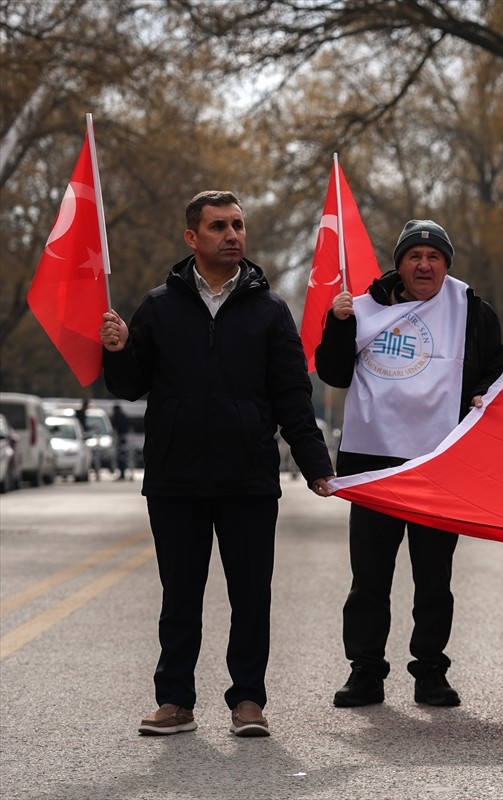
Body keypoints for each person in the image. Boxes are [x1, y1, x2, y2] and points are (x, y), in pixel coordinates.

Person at [101, 190, 336, 737]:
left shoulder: (271, 310)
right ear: (192, 238)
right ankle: (175, 700)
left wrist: (316, 465)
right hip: (174, 479)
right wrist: (117, 349)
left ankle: (248, 700)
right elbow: (131, 386)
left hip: (248, 478)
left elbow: (292, 397)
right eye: (219, 227)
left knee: (250, 596)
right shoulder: (158, 306)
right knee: (179, 596)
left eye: (238, 225)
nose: (233, 235)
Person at [316, 219, 503, 709]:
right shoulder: (360, 307)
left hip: (439, 463)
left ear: (446, 264)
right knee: (369, 577)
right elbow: (334, 372)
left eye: (435, 256)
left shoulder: (471, 310)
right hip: (374, 463)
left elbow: (498, 367)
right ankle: (365, 671)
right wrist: (337, 324)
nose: (425, 265)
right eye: (415, 256)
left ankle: (430, 671)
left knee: (434, 577)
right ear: (399, 263)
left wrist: (483, 394)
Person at [110, 402, 129, 480]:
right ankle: (122, 473)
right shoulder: (123, 415)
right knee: (123, 457)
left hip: (120, 438)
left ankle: (122, 474)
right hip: (123, 438)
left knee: (120, 457)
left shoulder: (117, 416)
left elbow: (114, 425)